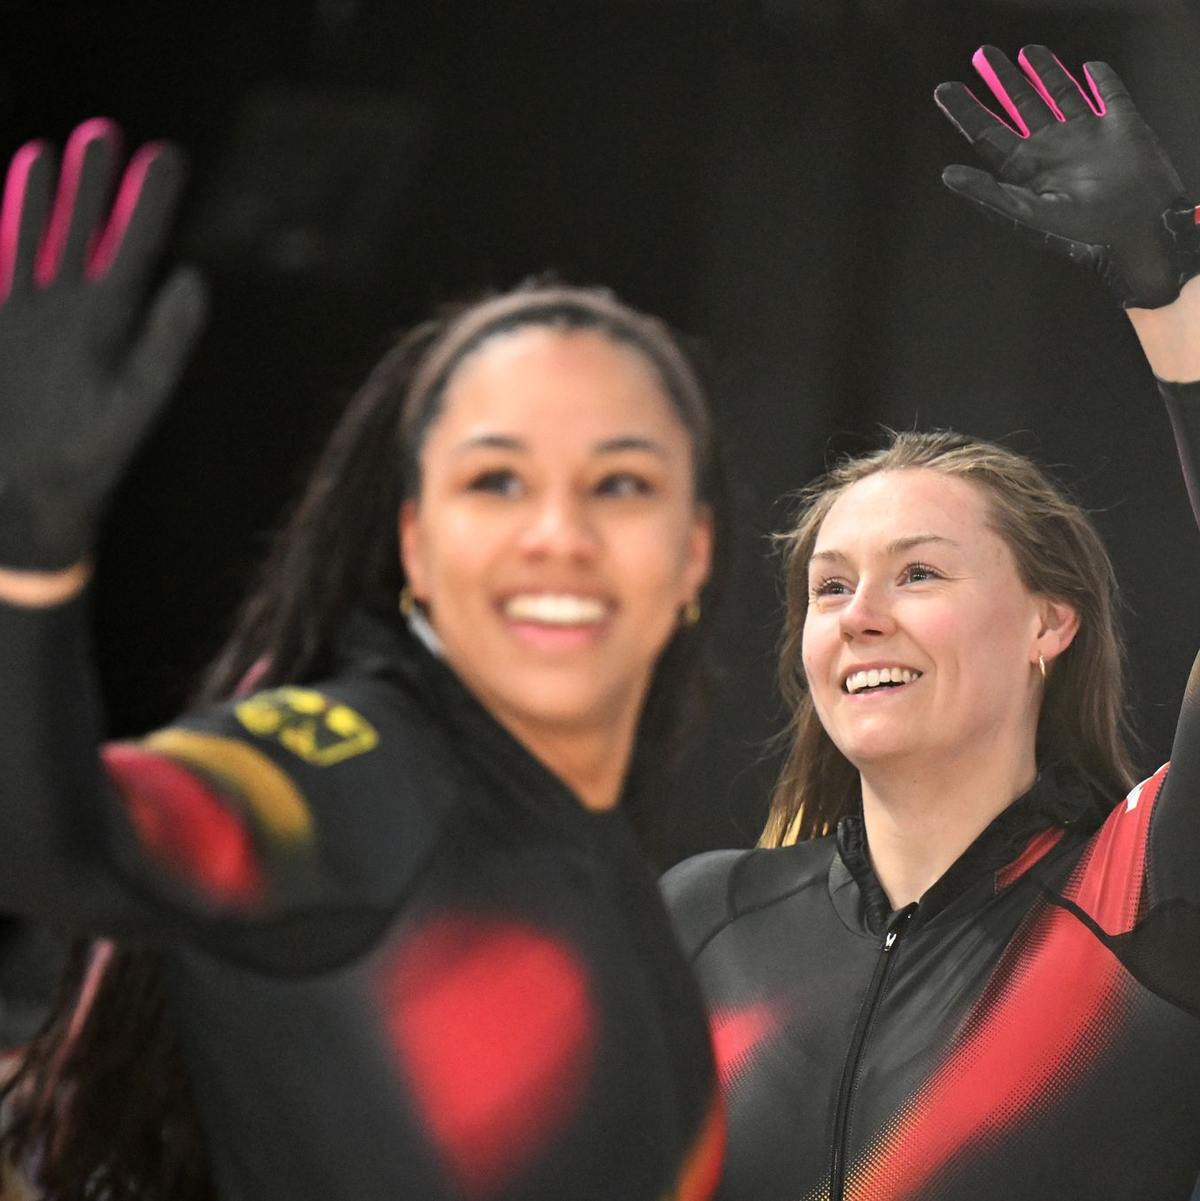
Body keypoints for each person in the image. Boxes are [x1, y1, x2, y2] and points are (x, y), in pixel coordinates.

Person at [0, 120, 727, 1199]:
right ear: (415, 547)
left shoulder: (596, 849)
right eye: (497, 482)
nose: (559, 533)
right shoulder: (361, 766)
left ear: (694, 553)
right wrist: (29, 555)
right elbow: (63, 851)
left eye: (620, 483)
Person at [662, 45, 1200, 1201]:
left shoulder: (1146, 887)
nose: (860, 617)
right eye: (830, 585)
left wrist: (1175, 296)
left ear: (1050, 623)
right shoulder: (704, 916)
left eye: (918, 575)